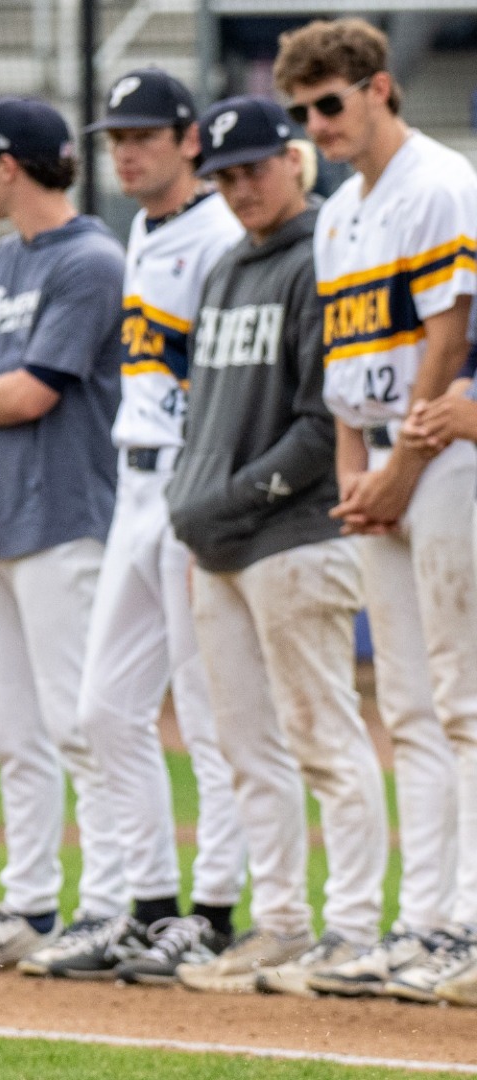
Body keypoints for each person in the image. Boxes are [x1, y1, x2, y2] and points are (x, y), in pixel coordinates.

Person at [162, 95, 389, 998]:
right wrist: (196, 501)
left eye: (252, 167)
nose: (239, 186)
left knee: (326, 738)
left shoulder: (322, 259)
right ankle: (286, 924)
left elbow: (319, 422)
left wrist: (222, 501)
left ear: (293, 160)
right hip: (220, 542)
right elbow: (204, 412)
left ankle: (359, 927)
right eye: (223, 175)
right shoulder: (223, 269)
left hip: (295, 533)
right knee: (250, 749)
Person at [25, 68, 249, 981]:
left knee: (210, 710)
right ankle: (151, 906)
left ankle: (217, 911)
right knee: (104, 707)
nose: (127, 148)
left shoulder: (224, 233)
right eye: (117, 135)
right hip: (136, 482)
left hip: (199, 481)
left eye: (146, 133)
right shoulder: (143, 234)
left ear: (192, 139)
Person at [277, 16, 477, 996]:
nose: (319, 124)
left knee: (464, 698)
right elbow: (343, 365)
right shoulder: (338, 212)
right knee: (405, 704)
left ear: (380, 88)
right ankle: (424, 919)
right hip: (386, 463)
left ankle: (468, 922)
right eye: (304, 111)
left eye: (331, 102)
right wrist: (357, 468)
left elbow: (446, 336)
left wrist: (397, 464)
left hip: (441, 458)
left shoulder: (437, 182)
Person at [0, 97, 125, 970]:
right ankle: (33, 904)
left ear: (11, 165)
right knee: (13, 725)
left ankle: (110, 904)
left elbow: (28, 391)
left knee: (79, 720)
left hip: (65, 517)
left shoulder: (90, 260)